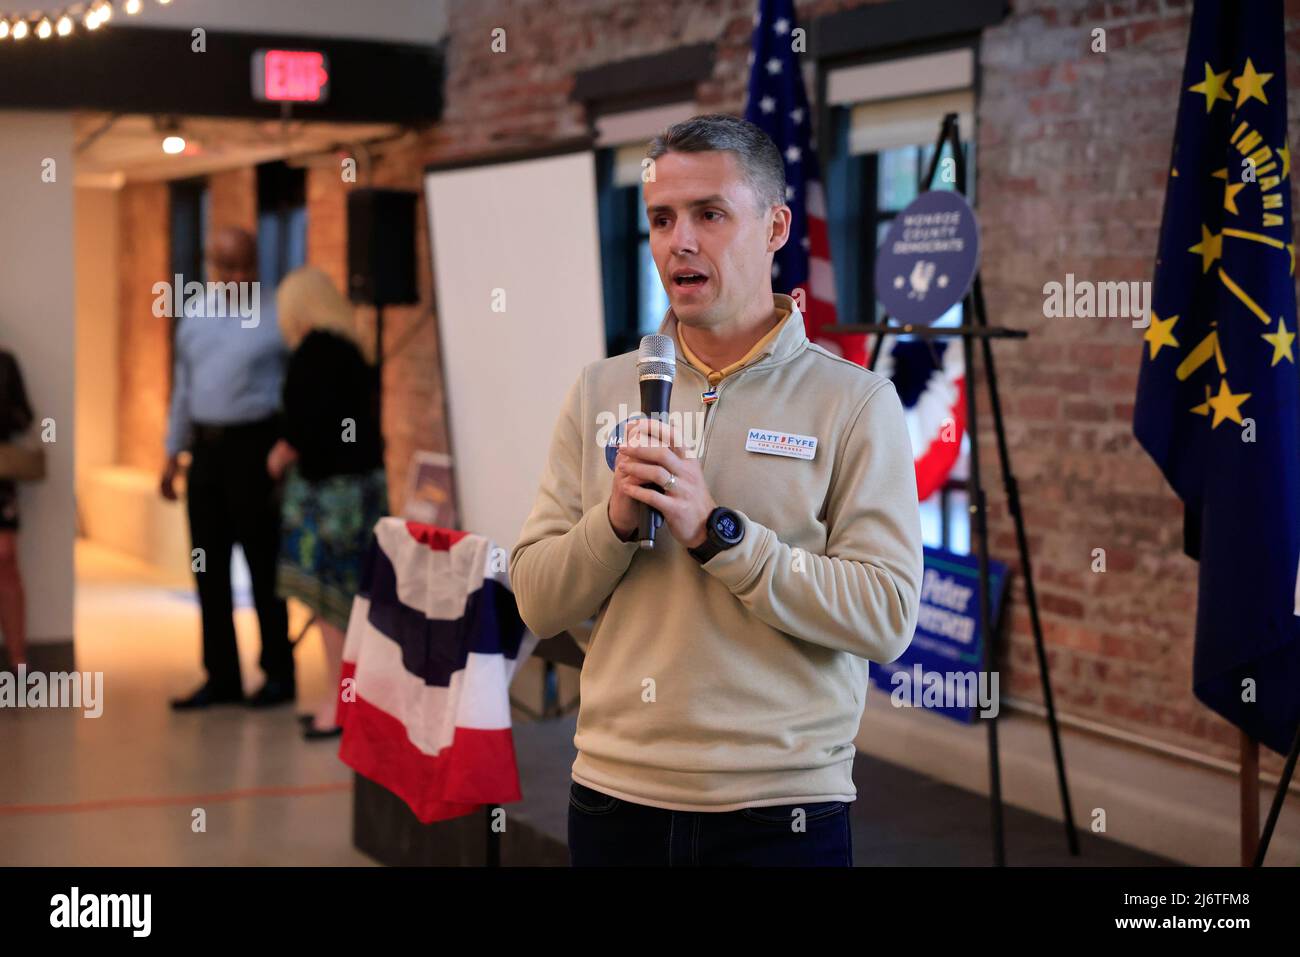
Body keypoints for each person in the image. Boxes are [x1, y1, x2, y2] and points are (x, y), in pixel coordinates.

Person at [510, 114, 924, 866]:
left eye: (710, 214)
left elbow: (887, 614)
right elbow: (536, 598)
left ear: (775, 227)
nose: (680, 242)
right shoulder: (601, 387)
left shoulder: (855, 403)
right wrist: (611, 525)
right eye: (662, 219)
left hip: (781, 809)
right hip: (613, 795)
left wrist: (719, 535)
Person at [163, 226, 294, 710]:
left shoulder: (276, 318)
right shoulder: (194, 317)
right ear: (211, 268)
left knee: (264, 566)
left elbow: (300, 388)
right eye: (228, 266)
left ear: (256, 265)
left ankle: (279, 673)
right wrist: (171, 453)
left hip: (255, 451)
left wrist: (288, 444)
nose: (238, 274)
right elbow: (182, 390)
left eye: (246, 265)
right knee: (208, 568)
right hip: (206, 453)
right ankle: (221, 676)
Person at [266, 267, 387, 741]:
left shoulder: (312, 353)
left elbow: (305, 426)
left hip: (329, 499)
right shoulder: (352, 350)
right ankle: (345, 699)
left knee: (329, 602)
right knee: (350, 601)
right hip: (362, 491)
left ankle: (341, 704)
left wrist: (278, 455)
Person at [0, 348, 33, 670]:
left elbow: (25, 416)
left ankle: (18, 661)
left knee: (5, 557)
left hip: (1, 475)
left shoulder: (5, 363)